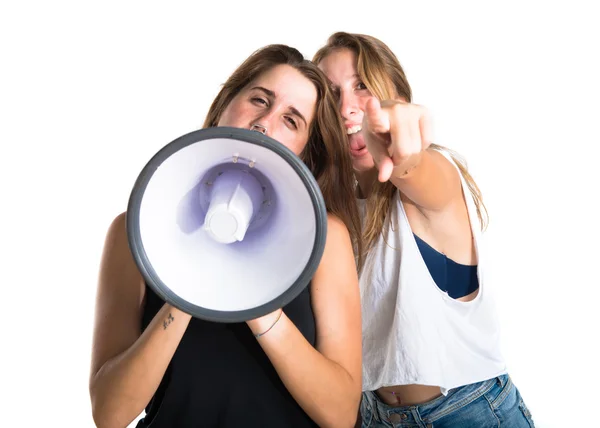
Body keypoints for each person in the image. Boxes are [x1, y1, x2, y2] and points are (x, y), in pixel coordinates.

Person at [89, 44, 363, 428]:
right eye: (258, 100)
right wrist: (191, 285)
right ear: (223, 105)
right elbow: (110, 414)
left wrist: (255, 297)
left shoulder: (327, 240)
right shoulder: (135, 230)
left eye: (292, 120)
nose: (264, 122)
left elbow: (341, 415)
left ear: (305, 153)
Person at [314, 32, 535, 427]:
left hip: (466, 411)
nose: (347, 108)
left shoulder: (434, 181)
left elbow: (414, 169)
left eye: (362, 85)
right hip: (374, 416)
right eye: (332, 94)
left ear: (395, 94)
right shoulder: (334, 215)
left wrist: (403, 154)